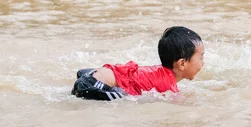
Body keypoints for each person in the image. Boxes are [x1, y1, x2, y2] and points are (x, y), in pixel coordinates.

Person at [71, 26, 204, 100]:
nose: (203, 63)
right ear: (182, 64)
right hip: (93, 85)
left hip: (89, 75)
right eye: (201, 57)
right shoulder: (169, 85)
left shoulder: (160, 74)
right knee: (122, 98)